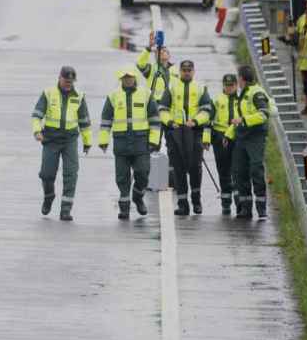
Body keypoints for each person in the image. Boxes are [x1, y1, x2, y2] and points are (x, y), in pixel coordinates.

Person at [98, 68, 163, 220]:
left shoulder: (146, 94)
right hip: (121, 142)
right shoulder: (113, 96)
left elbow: (154, 119)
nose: (127, 80)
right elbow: (106, 120)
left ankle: (138, 196)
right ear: (121, 79)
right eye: (124, 77)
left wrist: (154, 140)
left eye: (130, 77)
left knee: (143, 172)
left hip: (141, 142)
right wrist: (103, 140)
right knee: (122, 177)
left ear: (134, 77)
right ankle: (124, 208)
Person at [30, 66, 92, 221]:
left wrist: (87, 142)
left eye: (71, 82)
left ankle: (65, 209)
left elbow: (84, 121)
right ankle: (49, 196)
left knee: (71, 174)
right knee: (46, 173)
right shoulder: (49, 93)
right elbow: (36, 115)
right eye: (66, 81)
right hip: (50, 139)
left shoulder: (79, 96)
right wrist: (37, 131)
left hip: (69, 140)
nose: (68, 84)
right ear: (59, 78)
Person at [159, 60, 213, 216]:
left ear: (194, 71)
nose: (187, 72)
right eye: (184, 70)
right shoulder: (171, 87)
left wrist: (195, 121)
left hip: (194, 131)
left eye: (189, 70)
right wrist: (169, 122)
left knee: (195, 167)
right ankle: (183, 204)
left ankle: (196, 201)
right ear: (180, 71)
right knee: (178, 168)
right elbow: (162, 109)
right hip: (175, 132)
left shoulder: (201, 88)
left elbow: (207, 111)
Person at [225, 65, 272, 220]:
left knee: (256, 170)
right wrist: (229, 134)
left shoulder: (256, 92)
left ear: (242, 78)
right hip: (241, 137)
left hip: (255, 137)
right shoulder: (243, 94)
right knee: (240, 172)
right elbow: (238, 119)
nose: (237, 80)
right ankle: (246, 209)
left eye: (238, 77)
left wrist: (244, 120)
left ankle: (261, 209)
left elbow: (264, 114)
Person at [207, 74, 239, 215]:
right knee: (223, 170)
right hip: (220, 137)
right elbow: (208, 122)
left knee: (237, 170)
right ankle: (226, 202)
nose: (229, 88)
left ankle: (240, 202)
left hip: (237, 137)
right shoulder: (217, 100)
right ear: (223, 86)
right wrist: (206, 139)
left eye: (232, 85)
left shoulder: (242, 100)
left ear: (236, 85)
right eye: (227, 85)